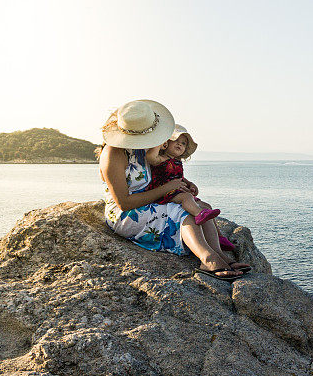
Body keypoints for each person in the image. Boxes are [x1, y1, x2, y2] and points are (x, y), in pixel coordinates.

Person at [98, 99, 250, 281]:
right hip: (127, 214)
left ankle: (219, 255)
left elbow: (163, 171)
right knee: (181, 212)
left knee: (200, 208)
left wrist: (182, 183)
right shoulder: (114, 153)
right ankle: (207, 260)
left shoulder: (145, 149)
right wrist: (168, 188)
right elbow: (123, 203)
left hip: (150, 201)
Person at [146, 125, 220, 226]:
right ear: (166, 142)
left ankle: (219, 236)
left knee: (207, 206)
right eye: (176, 140)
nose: (179, 144)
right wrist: (160, 142)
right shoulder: (161, 159)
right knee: (187, 197)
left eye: (183, 143)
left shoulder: (177, 162)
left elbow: (179, 178)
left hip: (177, 192)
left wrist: (190, 184)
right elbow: (150, 157)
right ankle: (199, 214)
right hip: (164, 193)